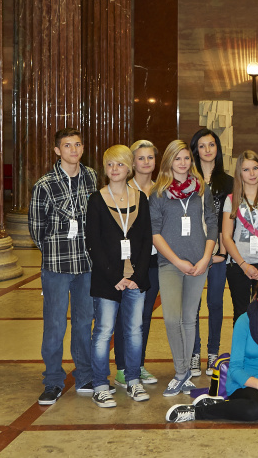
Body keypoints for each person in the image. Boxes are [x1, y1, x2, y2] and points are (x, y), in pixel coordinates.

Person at [29, 128, 98, 405]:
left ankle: (84, 375)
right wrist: (54, 251)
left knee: (84, 322)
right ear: (57, 150)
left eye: (78, 144)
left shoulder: (91, 176)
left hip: (86, 264)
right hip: (57, 266)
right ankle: (53, 381)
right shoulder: (44, 185)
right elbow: (36, 229)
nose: (73, 149)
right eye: (67, 145)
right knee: (55, 325)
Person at [166, 276, 258, 423]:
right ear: (257, 297)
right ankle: (198, 412)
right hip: (243, 382)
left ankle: (228, 406)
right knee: (254, 410)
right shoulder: (244, 322)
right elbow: (235, 368)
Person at [86, 145, 153, 407]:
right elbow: (93, 242)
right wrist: (115, 276)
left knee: (134, 331)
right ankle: (101, 384)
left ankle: (133, 381)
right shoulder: (96, 199)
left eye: (120, 164)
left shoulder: (141, 198)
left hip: (136, 279)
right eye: (110, 165)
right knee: (103, 332)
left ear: (129, 168)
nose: (115, 169)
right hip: (107, 279)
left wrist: (136, 275)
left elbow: (146, 239)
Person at [150, 139, 218, 397]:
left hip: (200, 264)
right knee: (171, 318)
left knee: (190, 318)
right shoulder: (158, 192)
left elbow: (212, 223)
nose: (182, 163)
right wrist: (178, 261)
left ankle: (185, 374)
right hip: (170, 264)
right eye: (177, 158)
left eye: (186, 158)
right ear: (169, 161)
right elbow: (154, 233)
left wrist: (205, 258)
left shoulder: (202, 190)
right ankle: (180, 372)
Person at [113, 139, 160, 387]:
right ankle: (122, 367)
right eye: (140, 158)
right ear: (132, 162)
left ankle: (138, 365)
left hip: (153, 261)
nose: (145, 162)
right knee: (125, 315)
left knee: (144, 316)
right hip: (127, 262)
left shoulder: (160, 189)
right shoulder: (121, 187)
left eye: (150, 157)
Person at [189, 128, 234, 377]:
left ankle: (213, 352)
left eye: (212, 145)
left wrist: (224, 252)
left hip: (218, 254)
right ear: (195, 150)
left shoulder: (228, 182)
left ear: (218, 149)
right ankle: (195, 354)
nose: (207, 150)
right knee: (193, 305)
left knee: (215, 303)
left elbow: (231, 220)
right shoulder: (187, 181)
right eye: (202, 145)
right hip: (193, 252)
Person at [221, 150, 258, 324]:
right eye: (246, 170)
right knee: (241, 313)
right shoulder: (232, 199)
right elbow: (226, 236)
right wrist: (243, 265)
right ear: (240, 172)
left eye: (255, 168)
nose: (252, 173)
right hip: (238, 264)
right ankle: (242, 351)